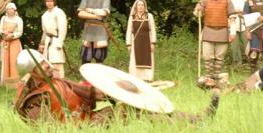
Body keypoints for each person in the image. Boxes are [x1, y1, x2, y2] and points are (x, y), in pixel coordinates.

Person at [13, 50, 218, 125]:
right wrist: (73, 128)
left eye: (45, 61)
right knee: (132, 114)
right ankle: (194, 122)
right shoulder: (34, 101)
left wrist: (112, 91)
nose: (48, 66)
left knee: (138, 106)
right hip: (84, 128)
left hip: (89, 119)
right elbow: (48, 132)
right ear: (33, 72)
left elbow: (85, 91)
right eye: (42, 65)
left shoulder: (58, 81)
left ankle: (196, 119)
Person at [194, 0, 235, 88]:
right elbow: (198, 13)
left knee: (219, 58)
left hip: (223, 31)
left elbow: (232, 17)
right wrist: (198, 9)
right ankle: (209, 79)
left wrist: (233, 32)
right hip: (208, 30)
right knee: (207, 57)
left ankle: (216, 79)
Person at [77, 0, 112, 64]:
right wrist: (96, 16)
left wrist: (90, 10)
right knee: (85, 58)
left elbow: (103, 13)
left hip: (100, 31)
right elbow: (80, 13)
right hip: (88, 31)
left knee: (100, 59)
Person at [125, 0, 157, 81]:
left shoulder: (149, 16)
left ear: (145, 6)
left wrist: (153, 43)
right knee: (134, 60)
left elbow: (153, 30)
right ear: (136, 6)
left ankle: (147, 77)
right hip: (136, 42)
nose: (140, 7)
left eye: (142, 5)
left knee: (147, 59)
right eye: (139, 5)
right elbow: (129, 30)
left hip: (147, 41)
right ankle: (135, 77)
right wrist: (128, 43)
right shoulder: (132, 17)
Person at [39, 0, 68, 77]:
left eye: (51, 1)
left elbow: (62, 28)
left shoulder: (59, 12)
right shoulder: (44, 15)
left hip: (56, 39)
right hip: (47, 41)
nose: (49, 3)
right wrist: (42, 44)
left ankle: (60, 82)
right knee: (48, 63)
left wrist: (60, 42)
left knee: (57, 62)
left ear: (54, 2)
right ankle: (51, 83)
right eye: (47, 1)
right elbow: (44, 31)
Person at [226, 0, 250, 66]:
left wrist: (242, 12)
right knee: (234, 45)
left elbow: (248, 8)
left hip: (244, 21)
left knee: (247, 42)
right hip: (232, 21)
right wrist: (234, 12)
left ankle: (251, 62)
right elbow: (226, 10)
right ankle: (237, 64)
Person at [0, 2, 23, 86]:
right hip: (6, 42)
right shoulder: (3, 18)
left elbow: (20, 32)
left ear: (15, 10)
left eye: (12, 9)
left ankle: (15, 83)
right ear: (6, 10)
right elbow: (0, 29)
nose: (10, 10)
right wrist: (3, 33)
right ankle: (6, 83)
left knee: (14, 61)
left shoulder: (18, 19)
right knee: (6, 61)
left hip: (14, 42)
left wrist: (12, 35)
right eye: (9, 9)